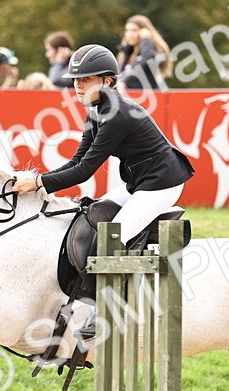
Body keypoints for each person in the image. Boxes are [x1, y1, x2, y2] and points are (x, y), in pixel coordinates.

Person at [13, 44, 193, 243]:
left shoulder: (117, 115)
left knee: (110, 242)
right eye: (76, 80)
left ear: (107, 81)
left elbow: (84, 170)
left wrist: (38, 183)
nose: (78, 85)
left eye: (86, 79)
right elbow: (76, 162)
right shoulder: (96, 112)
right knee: (91, 215)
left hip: (162, 184)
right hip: (139, 182)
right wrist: (38, 179)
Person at [117, 14, 171, 91]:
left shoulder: (153, 52)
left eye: (134, 30)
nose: (129, 34)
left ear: (144, 32)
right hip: (128, 99)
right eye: (127, 30)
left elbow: (147, 60)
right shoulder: (126, 52)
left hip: (147, 99)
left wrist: (145, 39)